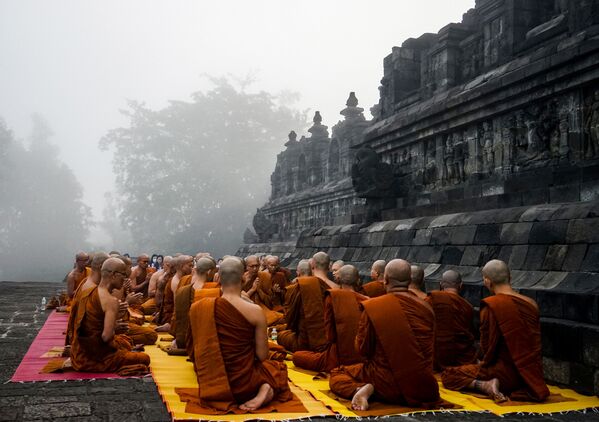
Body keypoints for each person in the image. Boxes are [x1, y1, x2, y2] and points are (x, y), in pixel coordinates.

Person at [329, 259, 439, 411]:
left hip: (384, 383)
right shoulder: (427, 309)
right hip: (421, 388)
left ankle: (360, 389)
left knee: (337, 373)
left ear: (385, 279)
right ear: (409, 281)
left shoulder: (375, 306)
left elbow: (362, 349)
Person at [188, 257, 291, 411]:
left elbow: (193, 351)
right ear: (243, 277)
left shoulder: (198, 308)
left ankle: (263, 389)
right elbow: (262, 356)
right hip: (246, 385)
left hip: (213, 385)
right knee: (276, 368)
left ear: (218, 278)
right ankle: (265, 390)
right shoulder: (255, 311)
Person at [442, 260, 549, 403]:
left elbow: (487, 348)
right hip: (531, 377)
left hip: (503, 375)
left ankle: (484, 385)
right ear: (510, 278)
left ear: (487, 281)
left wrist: (481, 363)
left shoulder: (492, 305)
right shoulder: (531, 304)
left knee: (449, 375)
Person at [70, 258, 150, 374]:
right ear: (113, 275)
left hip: (80, 354)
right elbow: (106, 337)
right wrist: (114, 328)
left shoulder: (89, 291)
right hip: (98, 358)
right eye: (123, 274)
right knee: (144, 358)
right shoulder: (110, 301)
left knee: (124, 343)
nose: (125, 278)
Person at [293, 265, 368, 372]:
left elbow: (330, 336)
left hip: (336, 357)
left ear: (337, 279)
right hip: (362, 357)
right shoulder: (367, 301)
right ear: (358, 280)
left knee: (297, 356)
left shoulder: (333, 297)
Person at [276, 254, 333, 352]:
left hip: (303, 340)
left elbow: (290, 318)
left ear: (312, 266)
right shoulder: (335, 287)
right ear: (329, 266)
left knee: (281, 336)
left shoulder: (301, 286)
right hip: (328, 340)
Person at [426, 270, 477, 371]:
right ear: (461, 285)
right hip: (459, 356)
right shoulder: (467, 307)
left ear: (441, 284)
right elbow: (468, 332)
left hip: (435, 355)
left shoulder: (430, 301)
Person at [172, 257, 219, 353]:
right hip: (203, 342)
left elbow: (177, 317)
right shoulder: (215, 290)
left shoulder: (181, 290)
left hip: (182, 339)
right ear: (209, 272)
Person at [242, 255, 283, 326]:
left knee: (281, 318)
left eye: (257, 266)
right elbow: (238, 299)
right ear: (247, 267)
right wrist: (250, 287)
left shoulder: (265, 276)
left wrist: (259, 290)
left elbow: (270, 301)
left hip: (263, 308)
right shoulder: (242, 278)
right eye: (252, 266)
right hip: (246, 309)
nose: (255, 268)